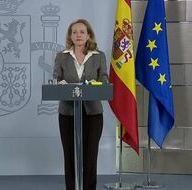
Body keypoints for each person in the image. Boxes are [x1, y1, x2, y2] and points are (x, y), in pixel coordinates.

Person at [53, 19, 108, 190]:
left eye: (82, 32)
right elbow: (56, 77)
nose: (78, 35)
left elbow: (104, 79)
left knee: (90, 156)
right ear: (70, 35)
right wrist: (58, 83)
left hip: (93, 113)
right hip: (68, 112)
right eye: (74, 32)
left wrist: (99, 84)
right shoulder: (61, 56)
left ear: (88, 35)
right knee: (69, 156)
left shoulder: (99, 56)